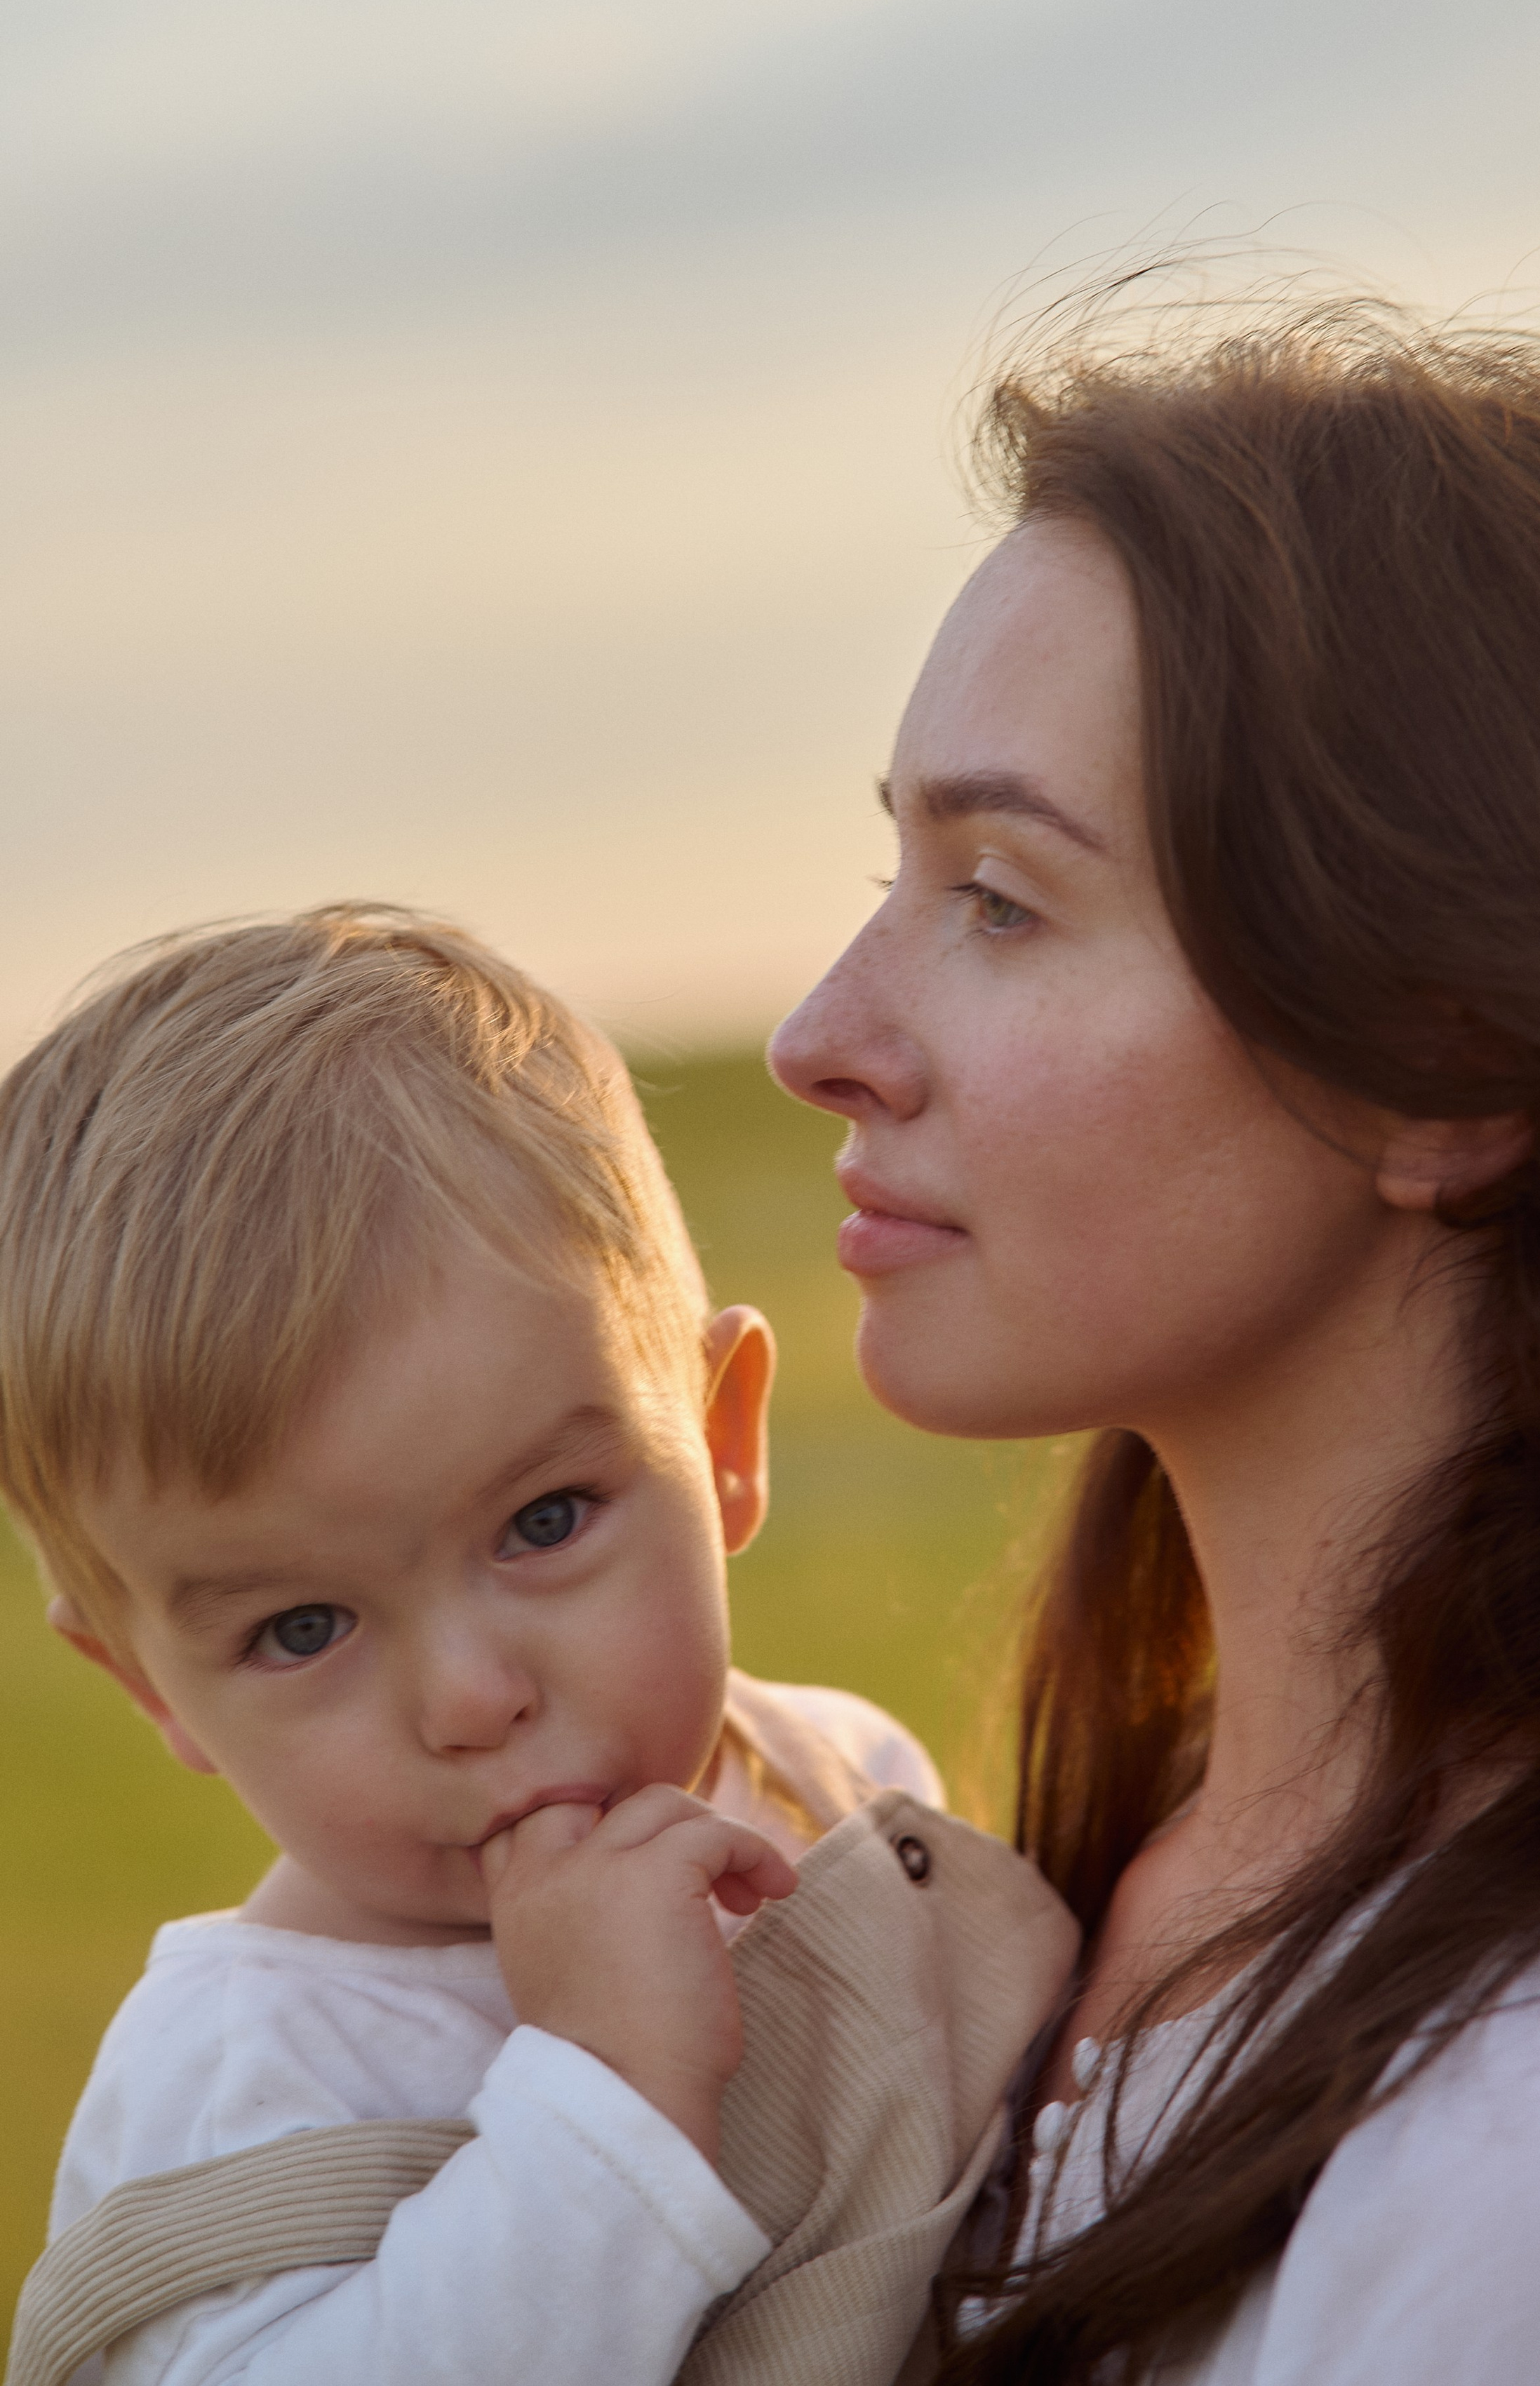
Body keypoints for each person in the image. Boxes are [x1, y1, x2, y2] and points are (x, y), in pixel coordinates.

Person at [769, 296, 1540, 2382]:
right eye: (899, 871)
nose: (820, 1037)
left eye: (1000, 899)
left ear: (1445, 1060)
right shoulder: (1100, 1900)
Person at [0, 905, 969, 2386]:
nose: (470, 1696)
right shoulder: (246, 2078)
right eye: (301, 1626)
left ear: (720, 1442)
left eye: (543, 1520)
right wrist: (604, 2089)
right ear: (151, 1685)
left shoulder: (839, 1782)